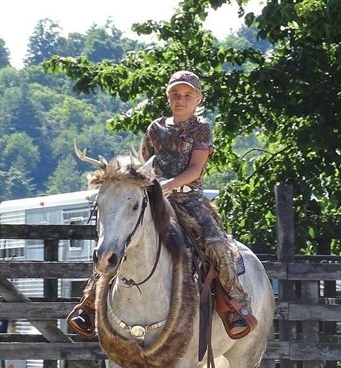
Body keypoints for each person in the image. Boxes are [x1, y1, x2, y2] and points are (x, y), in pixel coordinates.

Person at [67, 70, 256, 339]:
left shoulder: (201, 128)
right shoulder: (155, 129)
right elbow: (145, 167)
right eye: (176, 95)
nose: (181, 100)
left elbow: (195, 169)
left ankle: (234, 304)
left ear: (197, 99)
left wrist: (168, 185)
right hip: (154, 200)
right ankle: (90, 303)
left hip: (189, 200)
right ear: (168, 97)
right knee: (118, 239)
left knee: (215, 243)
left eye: (187, 95)